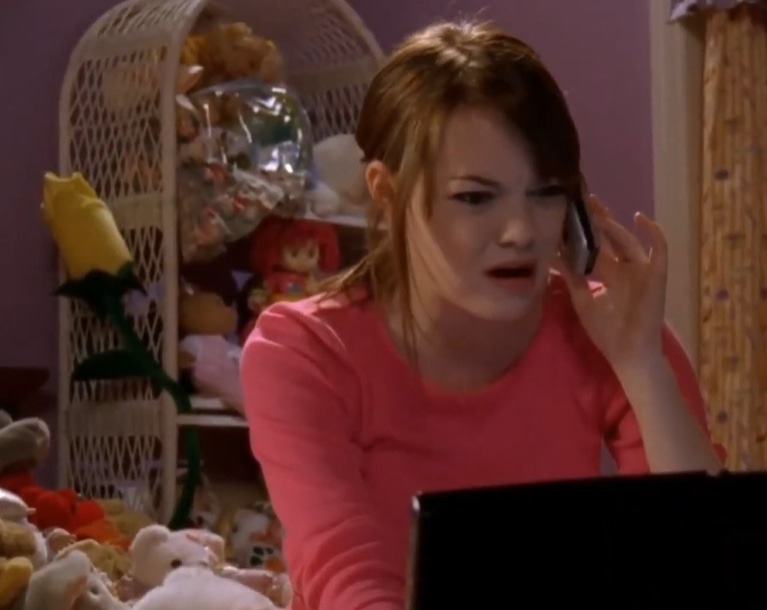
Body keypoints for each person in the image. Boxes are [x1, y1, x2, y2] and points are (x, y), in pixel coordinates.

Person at [240, 19, 721, 610]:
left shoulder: (612, 331)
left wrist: (642, 364)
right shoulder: (305, 351)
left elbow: (701, 559)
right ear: (387, 195)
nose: (521, 232)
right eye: (475, 197)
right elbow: (346, 570)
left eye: (546, 193)